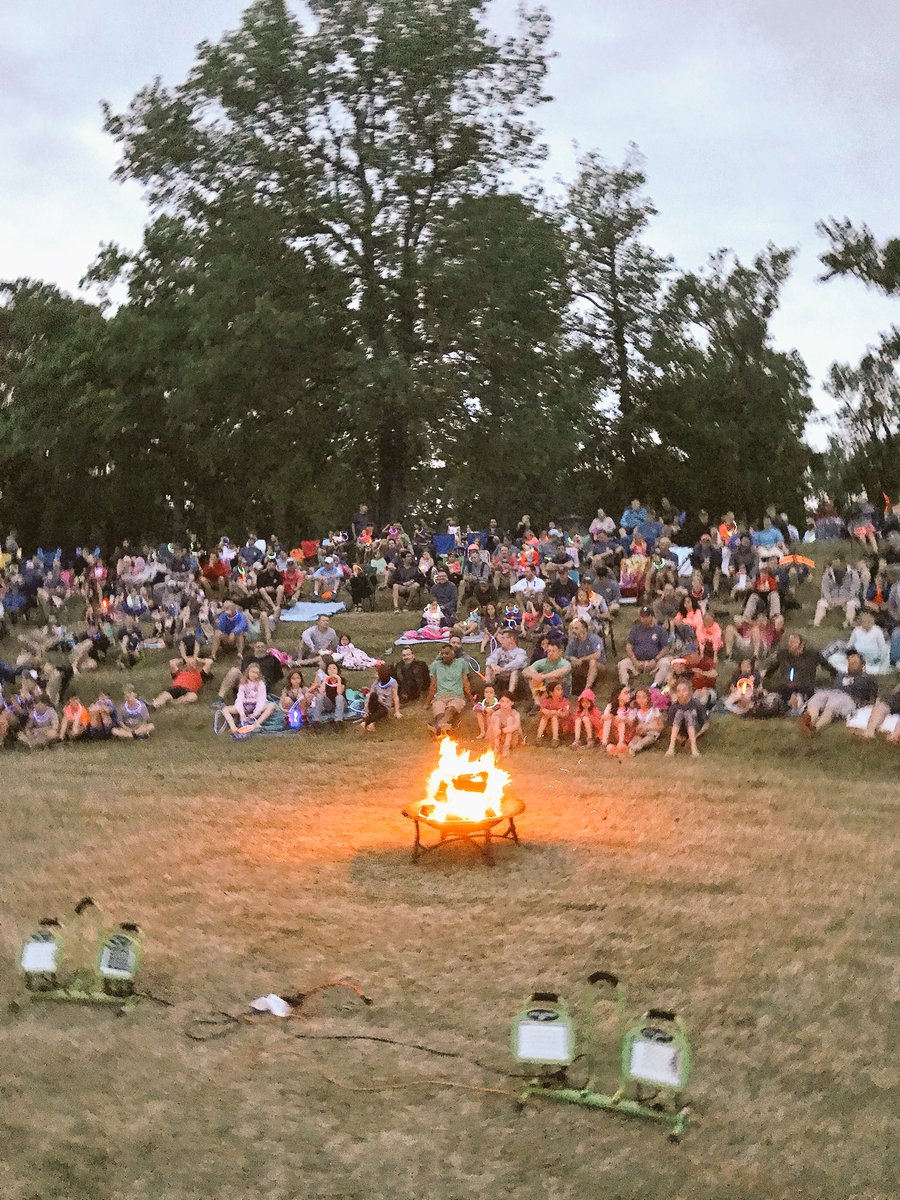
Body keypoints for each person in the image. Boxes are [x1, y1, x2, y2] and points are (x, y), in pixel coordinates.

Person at [799, 651, 877, 734]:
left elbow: (873, 697)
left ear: (862, 665)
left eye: (855, 662)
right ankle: (810, 721)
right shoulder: (840, 675)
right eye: (850, 662)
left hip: (849, 698)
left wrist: (869, 705)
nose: (851, 664)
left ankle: (816, 728)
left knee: (834, 704)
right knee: (818, 696)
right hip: (833, 693)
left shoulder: (866, 678)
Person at [763, 633, 833, 712]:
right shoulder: (783, 655)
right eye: (789, 642)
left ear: (802, 644)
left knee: (799, 698)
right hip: (784, 689)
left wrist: (836, 677)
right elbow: (771, 669)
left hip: (804, 689)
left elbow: (829, 667)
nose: (790, 644)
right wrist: (765, 678)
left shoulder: (812, 655)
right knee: (775, 698)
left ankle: (794, 705)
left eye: (793, 642)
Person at [618, 606, 672, 687]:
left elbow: (666, 648)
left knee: (665, 663)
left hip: (654, 662)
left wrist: (655, 660)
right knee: (622, 664)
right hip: (637, 661)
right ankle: (624, 687)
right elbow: (628, 646)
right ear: (640, 617)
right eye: (643, 617)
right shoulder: (635, 630)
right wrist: (634, 660)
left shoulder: (659, 630)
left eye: (647, 616)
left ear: (652, 616)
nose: (645, 619)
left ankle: (656, 685)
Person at [425, 644, 472, 733]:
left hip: (457, 696)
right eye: (442, 653)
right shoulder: (435, 665)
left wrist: (472, 701)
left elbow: (466, 683)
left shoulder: (461, 663)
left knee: (450, 710)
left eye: (447, 653)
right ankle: (444, 727)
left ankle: (437, 727)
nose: (444, 656)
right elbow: (433, 686)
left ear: (453, 654)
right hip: (440, 697)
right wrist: (427, 703)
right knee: (440, 713)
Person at [814, 557, 862, 628]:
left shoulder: (853, 574)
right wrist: (830, 600)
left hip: (848, 598)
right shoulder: (827, 575)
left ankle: (849, 623)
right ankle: (816, 624)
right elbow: (825, 590)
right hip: (832, 599)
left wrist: (845, 600)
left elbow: (854, 590)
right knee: (821, 604)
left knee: (851, 604)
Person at [664, 680, 708, 757]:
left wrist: (695, 736)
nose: (681, 693)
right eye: (678, 691)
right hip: (681, 732)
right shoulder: (674, 707)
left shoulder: (696, 704)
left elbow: (705, 724)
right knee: (679, 713)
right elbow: (670, 725)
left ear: (690, 691)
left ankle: (694, 748)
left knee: (689, 713)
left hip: (694, 729)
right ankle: (671, 748)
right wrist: (679, 738)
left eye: (684, 690)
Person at [485, 629, 529, 697]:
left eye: (503, 638)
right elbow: (490, 659)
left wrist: (502, 669)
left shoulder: (520, 652)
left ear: (511, 639)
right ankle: (490, 690)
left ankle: (510, 694)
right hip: (501, 672)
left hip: (514, 673)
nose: (501, 640)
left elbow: (518, 663)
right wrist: (492, 665)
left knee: (515, 672)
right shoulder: (499, 650)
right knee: (488, 668)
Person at [565, 618, 605, 692]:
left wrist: (582, 659)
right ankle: (567, 688)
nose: (573, 631)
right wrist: (572, 658)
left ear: (584, 629)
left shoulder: (594, 638)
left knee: (592, 661)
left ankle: (587, 689)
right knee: (567, 663)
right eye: (573, 628)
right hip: (581, 664)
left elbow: (597, 655)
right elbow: (566, 655)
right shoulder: (573, 640)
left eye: (576, 628)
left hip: (598, 665)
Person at [362, 664, 401, 731]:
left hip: (385, 706)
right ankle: (371, 722)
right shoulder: (376, 682)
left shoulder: (393, 683)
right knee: (372, 695)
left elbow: (395, 697)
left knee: (381, 711)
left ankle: (366, 722)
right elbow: (370, 696)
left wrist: (397, 711)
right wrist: (366, 711)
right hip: (376, 704)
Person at [309, 660, 347, 724]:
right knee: (319, 696)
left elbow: (339, 692)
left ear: (338, 671)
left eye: (334, 668)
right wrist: (325, 680)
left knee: (339, 697)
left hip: (341, 703)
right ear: (327, 671)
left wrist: (339, 680)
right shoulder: (326, 680)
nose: (332, 670)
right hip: (330, 704)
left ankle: (338, 720)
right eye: (329, 669)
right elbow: (321, 692)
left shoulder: (342, 680)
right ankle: (316, 719)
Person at [629, 688, 665, 754]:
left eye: (644, 697)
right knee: (632, 742)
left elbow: (661, 726)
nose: (641, 700)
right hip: (641, 734)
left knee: (641, 743)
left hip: (652, 733)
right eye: (638, 697)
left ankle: (635, 749)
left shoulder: (654, 710)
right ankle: (631, 748)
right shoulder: (637, 711)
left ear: (648, 698)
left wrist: (648, 728)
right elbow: (634, 726)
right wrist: (637, 728)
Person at [600, 685, 635, 753]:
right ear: (618, 696)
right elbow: (603, 718)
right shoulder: (610, 706)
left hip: (625, 732)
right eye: (626, 693)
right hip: (613, 732)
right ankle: (604, 743)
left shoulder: (630, 708)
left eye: (629, 693)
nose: (629, 695)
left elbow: (631, 723)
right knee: (608, 718)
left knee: (621, 720)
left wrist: (623, 719)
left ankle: (621, 743)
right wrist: (611, 717)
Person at [488, 692, 523, 756]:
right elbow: (492, 728)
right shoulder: (496, 714)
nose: (504, 704)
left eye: (507, 702)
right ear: (499, 702)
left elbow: (516, 726)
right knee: (497, 719)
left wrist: (502, 730)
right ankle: (497, 747)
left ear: (512, 703)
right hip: (498, 737)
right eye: (502, 701)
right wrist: (497, 730)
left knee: (510, 719)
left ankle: (506, 747)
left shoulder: (515, 713)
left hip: (511, 738)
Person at [536, 681, 569, 747]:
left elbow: (566, 714)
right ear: (551, 693)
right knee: (545, 716)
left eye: (561, 689)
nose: (561, 691)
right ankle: (539, 737)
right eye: (558, 689)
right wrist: (548, 712)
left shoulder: (564, 701)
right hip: (549, 724)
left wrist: (556, 713)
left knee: (554, 717)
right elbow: (542, 709)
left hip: (561, 725)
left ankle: (555, 738)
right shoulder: (547, 701)